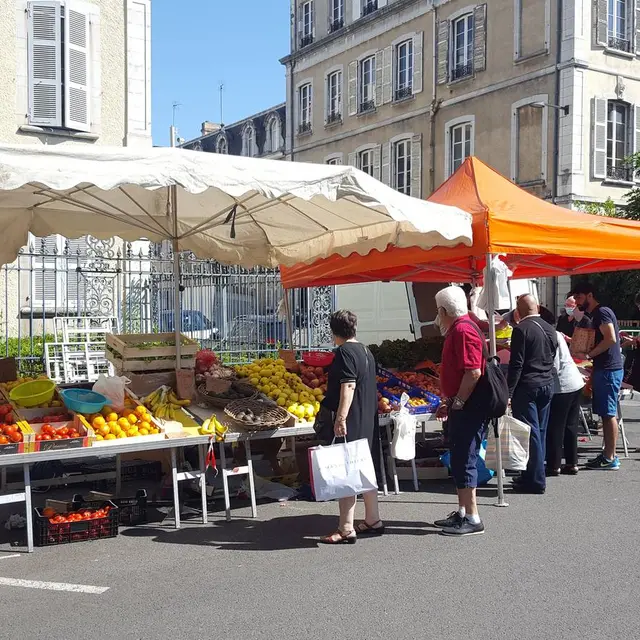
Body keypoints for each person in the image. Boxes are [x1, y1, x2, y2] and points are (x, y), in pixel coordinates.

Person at [319, 310, 382, 544]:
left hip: (352, 418)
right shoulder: (366, 350)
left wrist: (340, 418)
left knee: (347, 472)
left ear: (333, 331)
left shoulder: (344, 352)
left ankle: (346, 528)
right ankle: (373, 519)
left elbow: (348, 386)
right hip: (367, 417)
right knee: (365, 468)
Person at [433, 286, 487, 537]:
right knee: (460, 458)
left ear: (444, 310)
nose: (438, 317)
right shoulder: (462, 327)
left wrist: (459, 402)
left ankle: (473, 516)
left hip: (470, 407)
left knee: (465, 458)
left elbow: (473, 371)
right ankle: (463, 511)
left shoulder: (463, 330)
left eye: (438, 312)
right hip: (464, 404)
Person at [507, 294, 558, 494]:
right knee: (540, 432)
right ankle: (532, 474)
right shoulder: (550, 328)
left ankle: (535, 480)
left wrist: (508, 392)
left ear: (518, 311)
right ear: (537, 307)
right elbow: (553, 355)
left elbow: (516, 364)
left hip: (528, 386)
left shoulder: (521, 330)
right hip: (547, 383)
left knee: (530, 434)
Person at [572, 282, 624, 470]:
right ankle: (607, 455)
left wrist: (589, 355)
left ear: (590, 295)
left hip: (609, 369)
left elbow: (610, 338)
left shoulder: (602, 312)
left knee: (608, 413)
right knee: (605, 412)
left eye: (578, 297)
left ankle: (610, 457)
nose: (576, 301)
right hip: (605, 368)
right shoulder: (597, 313)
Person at [545, 331, 585, 476]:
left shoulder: (547, 335)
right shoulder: (556, 334)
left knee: (555, 426)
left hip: (561, 385)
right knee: (570, 425)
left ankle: (554, 465)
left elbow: (553, 365)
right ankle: (572, 463)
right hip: (574, 381)